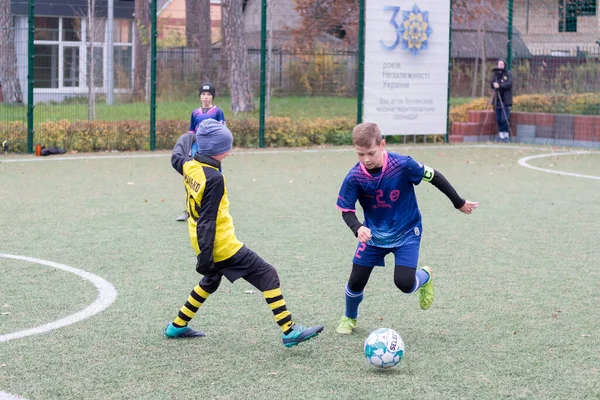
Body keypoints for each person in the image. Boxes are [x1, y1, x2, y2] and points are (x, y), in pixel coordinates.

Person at [165, 119, 324, 347]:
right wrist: (205, 258)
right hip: (221, 245)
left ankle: (177, 325)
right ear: (216, 150)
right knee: (268, 274)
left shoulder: (190, 166)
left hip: (202, 241)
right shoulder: (214, 179)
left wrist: (191, 135)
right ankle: (289, 330)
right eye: (225, 148)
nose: (228, 153)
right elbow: (208, 221)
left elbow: (176, 155)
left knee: (210, 281)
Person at [335, 122, 479, 334]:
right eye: (360, 154)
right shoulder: (355, 176)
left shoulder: (402, 165)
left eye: (371, 153)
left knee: (404, 283)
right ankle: (349, 317)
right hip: (374, 236)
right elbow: (346, 210)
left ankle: (425, 276)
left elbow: (435, 176)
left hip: (407, 233)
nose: (366, 159)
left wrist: (458, 202)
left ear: (382, 144)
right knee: (356, 281)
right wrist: (357, 228)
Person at [174, 83, 227, 221]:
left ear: (212, 97)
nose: (206, 97)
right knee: (192, 177)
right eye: (203, 94)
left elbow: (221, 132)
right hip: (197, 149)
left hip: (212, 151)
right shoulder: (195, 113)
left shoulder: (217, 112)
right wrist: (189, 147)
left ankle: (216, 210)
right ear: (200, 96)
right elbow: (191, 132)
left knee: (215, 179)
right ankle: (189, 210)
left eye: (209, 94)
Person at [490, 58, 513, 143]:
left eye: (502, 64)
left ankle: (506, 135)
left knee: (504, 118)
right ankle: (500, 135)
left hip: (505, 100)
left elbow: (509, 84)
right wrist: (494, 84)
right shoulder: (495, 74)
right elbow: (491, 83)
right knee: (498, 119)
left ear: (504, 65)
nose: (500, 66)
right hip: (497, 99)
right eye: (499, 64)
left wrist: (500, 85)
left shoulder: (508, 73)